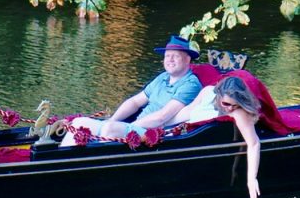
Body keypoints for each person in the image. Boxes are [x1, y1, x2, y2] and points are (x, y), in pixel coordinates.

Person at [61, 35, 202, 146]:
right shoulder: (162, 77)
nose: (170, 60)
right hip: (138, 126)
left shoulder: (191, 84)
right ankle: (62, 160)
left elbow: (162, 117)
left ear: (187, 59)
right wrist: (113, 119)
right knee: (78, 123)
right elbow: (135, 102)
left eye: (175, 56)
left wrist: (130, 125)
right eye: (167, 56)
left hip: (156, 133)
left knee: (110, 129)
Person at [166, 75, 262, 198]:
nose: (230, 109)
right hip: (182, 135)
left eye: (235, 105)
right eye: (226, 104)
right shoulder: (207, 92)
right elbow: (187, 112)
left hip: (198, 145)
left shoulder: (240, 113)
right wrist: (160, 126)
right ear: (218, 94)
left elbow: (254, 143)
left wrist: (251, 179)